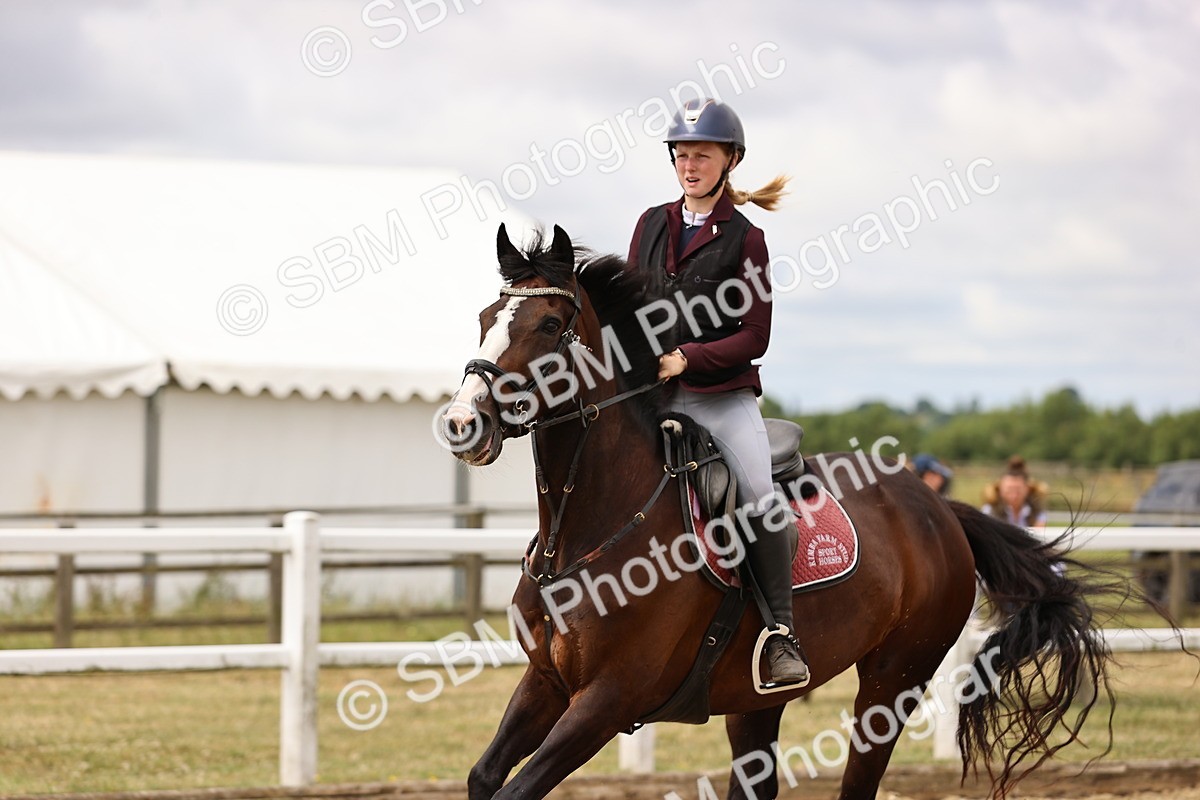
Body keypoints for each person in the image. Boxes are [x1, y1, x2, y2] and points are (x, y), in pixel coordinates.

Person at [625, 97, 806, 685]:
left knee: (757, 498)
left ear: (730, 160)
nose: (690, 164)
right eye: (681, 154)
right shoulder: (651, 223)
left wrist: (687, 358)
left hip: (721, 399)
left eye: (702, 155)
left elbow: (755, 335)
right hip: (654, 397)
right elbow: (628, 309)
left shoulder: (747, 239)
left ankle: (780, 635)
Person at [982, 455, 1047, 529]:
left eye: (1018, 490)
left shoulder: (1036, 511)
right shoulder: (990, 511)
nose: (1014, 495)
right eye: (1009, 490)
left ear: (1027, 489)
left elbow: (1039, 531)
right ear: (1000, 489)